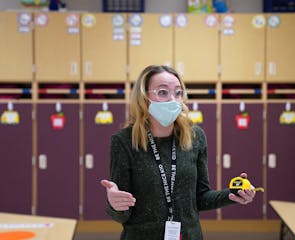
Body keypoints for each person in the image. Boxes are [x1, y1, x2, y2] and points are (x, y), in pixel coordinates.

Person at [100, 65, 256, 240]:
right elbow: (122, 214)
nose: (173, 99)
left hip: (189, 235)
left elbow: (200, 197)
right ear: (144, 98)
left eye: (178, 93)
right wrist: (114, 204)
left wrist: (233, 195)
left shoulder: (195, 137)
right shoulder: (124, 141)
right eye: (163, 92)